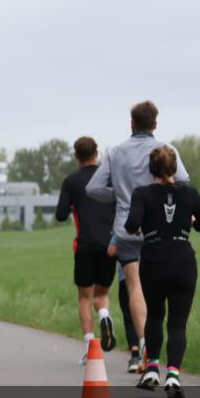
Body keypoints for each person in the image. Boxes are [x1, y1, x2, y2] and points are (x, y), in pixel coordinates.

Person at [86, 100, 189, 371]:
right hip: (161, 229)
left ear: (131, 124)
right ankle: (159, 353)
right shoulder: (165, 149)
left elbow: (93, 188)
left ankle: (144, 345)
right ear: (155, 124)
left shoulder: (115, 152)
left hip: (127, 230)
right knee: (160, 291)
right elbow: (184, 181)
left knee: (135, 288)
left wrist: (120, 196)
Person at [124, 146, 200, 398]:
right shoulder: (190, 194)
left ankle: (152, 367)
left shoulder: (141, 194)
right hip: (183, 263)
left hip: (153, 263)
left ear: (150, 169)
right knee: (178, 323)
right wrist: (192, 221)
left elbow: (131, 224)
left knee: (154, 316)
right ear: (174, 168)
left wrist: (140, 227)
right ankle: (173, 374)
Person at [55, 136, 117, 364]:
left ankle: (91, 347)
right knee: (102, 294)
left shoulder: (71, 181)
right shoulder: (109, 178)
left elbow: (61, 214)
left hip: (85, 244)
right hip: (110, 244)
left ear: (76, 156)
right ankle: (105, 315)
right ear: (96, 153)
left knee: (84, 297)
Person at [108, 235, 142, 372]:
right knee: (149, 315)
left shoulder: (122, 226)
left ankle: (135, 355)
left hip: (127, 277)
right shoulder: (149, 221)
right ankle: (150, 355)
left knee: (130, 316)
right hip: (149, 275)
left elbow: (111, 250)